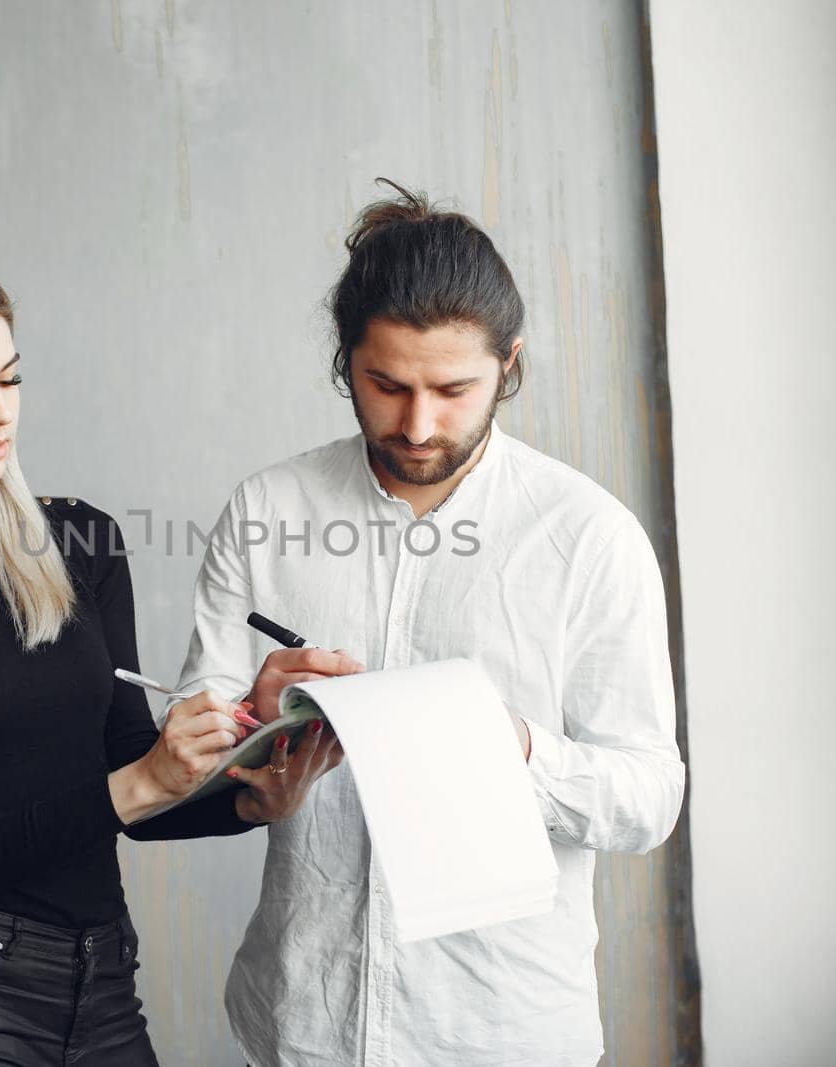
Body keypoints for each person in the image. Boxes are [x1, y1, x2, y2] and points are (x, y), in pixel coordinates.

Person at [0, 250, 345, 1066]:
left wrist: (250, 781)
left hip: (105, 980)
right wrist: (147, 777)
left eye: (9, 379)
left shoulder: (80, 541)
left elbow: (124, 772)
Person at [174, 183, 687, 1066]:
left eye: (454, 389)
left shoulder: (588, 538)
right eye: (386, 385)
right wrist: (250, 735)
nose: (417, 424)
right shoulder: (267, 508)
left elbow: (649, 798)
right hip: (301, 1022)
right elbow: (186, 754)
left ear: (510, 363)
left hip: (501, 1031)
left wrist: (519, 746)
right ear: (346, 362)